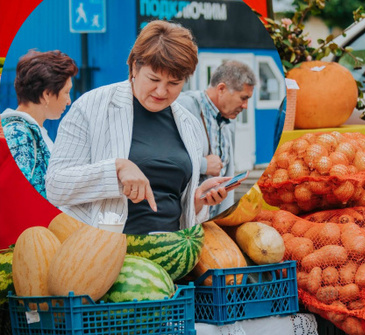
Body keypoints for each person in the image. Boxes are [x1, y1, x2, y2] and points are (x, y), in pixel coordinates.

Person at [46, 20, 231, 234]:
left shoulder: (189, 124)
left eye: (174, 83)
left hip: (167, 253)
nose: (162, 92)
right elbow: (56, 186)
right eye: (153, 79)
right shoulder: (91, 106)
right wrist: (117, 168)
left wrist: (198, 200)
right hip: (103, 252)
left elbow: (178, 206)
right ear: (134, 66)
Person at [177, 60, 256, 218]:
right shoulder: (184, 108)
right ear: (221, 89)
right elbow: (164, 157)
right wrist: (204, 165)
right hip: (183, 223)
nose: (246, 106)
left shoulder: (228, 120)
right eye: (243, 98)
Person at [1, 49, 78, 198]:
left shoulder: (31, 131)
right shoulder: (18, 135)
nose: (69, 101)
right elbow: (16, 196)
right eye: (66, 92)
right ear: (47, 94)